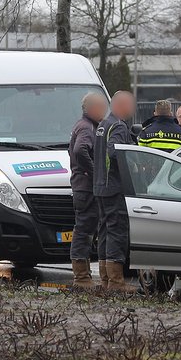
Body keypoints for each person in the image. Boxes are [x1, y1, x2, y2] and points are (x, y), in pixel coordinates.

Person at [93, 91, 135, 291]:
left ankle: (105, 279)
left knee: (104, 231)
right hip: (114, 187)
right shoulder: (118, 125)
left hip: (100, 186)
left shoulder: (103, 124)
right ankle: (116, 281)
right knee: (117, 232)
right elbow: (114, 151)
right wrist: (132, 164)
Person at [68, 92, 108, 288]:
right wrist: (96, 173)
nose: (105, 111)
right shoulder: (87, 127)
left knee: (85, 230)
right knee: (84, 231)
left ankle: (84, 276)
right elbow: (79, 150)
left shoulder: (85, 125)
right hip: (86, 189)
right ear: (92, 108)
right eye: (102, 107)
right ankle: (82, 278)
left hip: (82, 186)